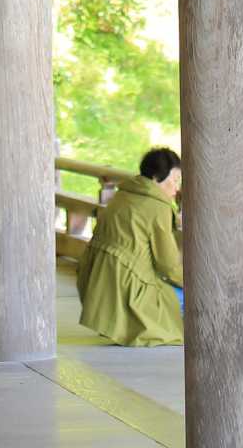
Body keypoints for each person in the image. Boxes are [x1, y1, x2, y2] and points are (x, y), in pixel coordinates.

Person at [75, 147, 184, 346]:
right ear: (156, 178)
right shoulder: (157, 206)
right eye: (174, 180)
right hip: (126, 292)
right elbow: (168, 266)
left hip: (97, 289)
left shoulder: (124, 194)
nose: (176, 188)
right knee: (185, 297)